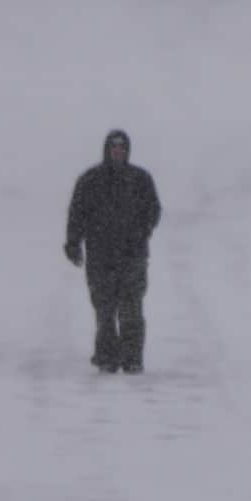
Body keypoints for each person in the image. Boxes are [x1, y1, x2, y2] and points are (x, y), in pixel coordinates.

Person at [64, 129, 161, 374]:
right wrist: (73, 243)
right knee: (105, 310)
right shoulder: (90, 180)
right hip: (100, 257)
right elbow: (77, 214)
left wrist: (142, 232)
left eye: (122, 148)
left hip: (132, 256)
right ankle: (106, 357)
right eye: (114, 147)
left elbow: (153, 210)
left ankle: (132, 358)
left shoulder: (140, 179)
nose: (118, 151)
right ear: (107, 150)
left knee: (131, 309)